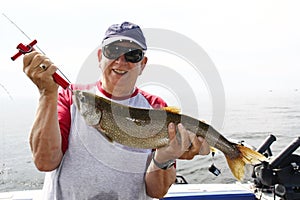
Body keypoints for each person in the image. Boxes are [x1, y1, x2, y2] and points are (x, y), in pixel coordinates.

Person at [23, 21, 210, 199]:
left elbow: (157, 191)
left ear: (142, 64)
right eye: (113, 51)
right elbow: (44, 162)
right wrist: (47, 94)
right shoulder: (69, 98)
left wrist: (165, 158)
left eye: (132, 55)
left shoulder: (156, 108)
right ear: (99, 57)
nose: (121, 61)